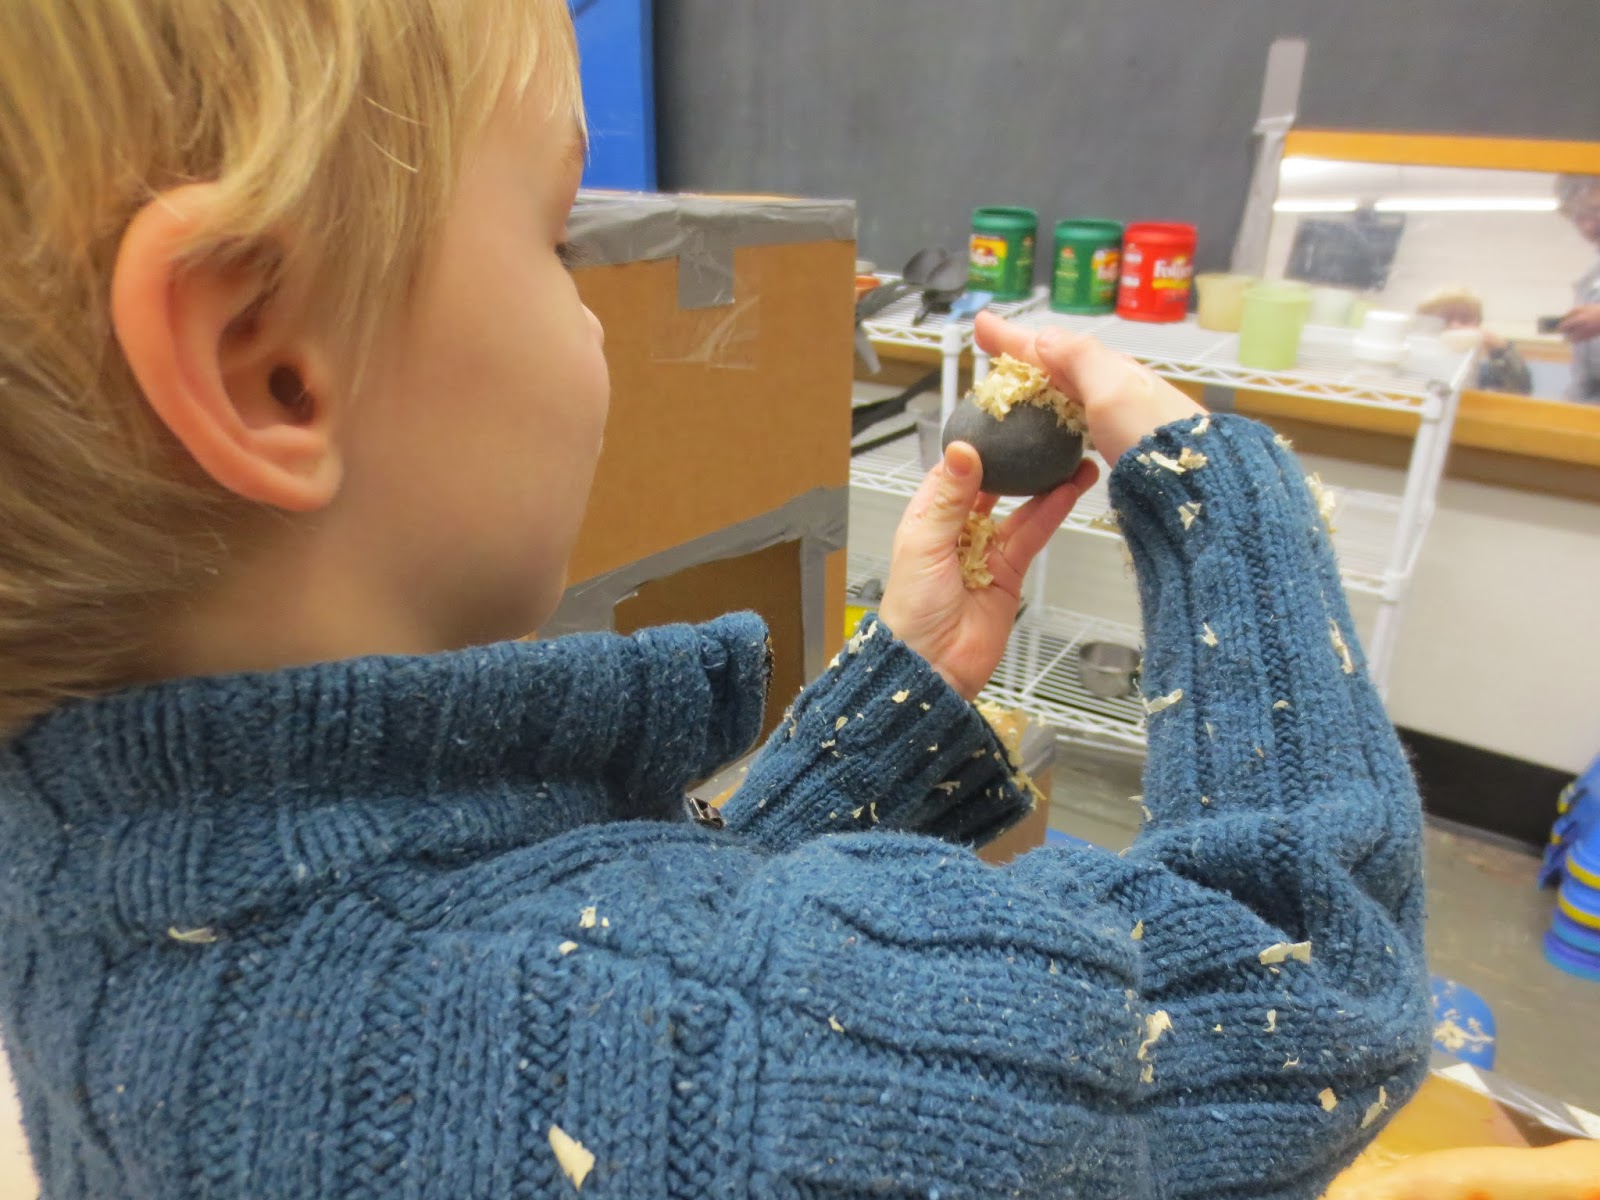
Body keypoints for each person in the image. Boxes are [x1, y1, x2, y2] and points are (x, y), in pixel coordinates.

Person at [0, 3, 1430, 1197]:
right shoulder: (770, 1059)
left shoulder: (95, 896)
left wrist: (903, 695)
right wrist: (1217, 496)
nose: (587, 312)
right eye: (556, 239)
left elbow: (633, 995)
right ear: (267, 367)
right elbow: (1312, 989)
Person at [1415, 287, 1533, 394]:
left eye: (1466, 319)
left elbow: (1521, 389)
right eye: (1445, 319)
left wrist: (1501, 349)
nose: (1455, 326)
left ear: (1478, 324)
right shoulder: (1414, 357)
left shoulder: (1482, 370)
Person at [1556, 174, 1600, 403]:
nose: (1589, 226)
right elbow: (1587, 379)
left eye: (1596, 211)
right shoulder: (1591, 276)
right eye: (1578, 216)